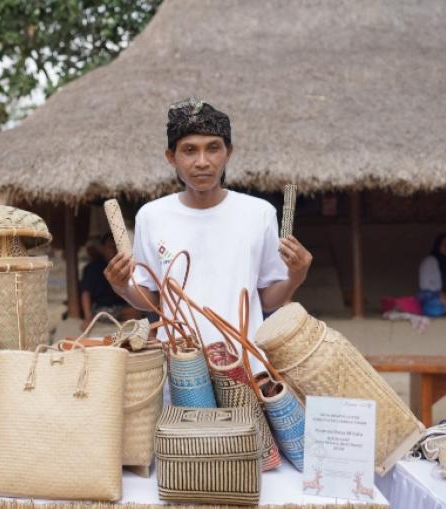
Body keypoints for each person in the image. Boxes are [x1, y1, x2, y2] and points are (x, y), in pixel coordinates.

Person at [103, 97, 312, 350]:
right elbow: (154, 301)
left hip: (246, 363)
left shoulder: (259, 213)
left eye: (213, 148)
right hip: (180, 364)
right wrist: (122, 286)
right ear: (171, 157)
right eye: (189, 150)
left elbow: (267, 301)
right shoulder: (152, 216)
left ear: (228, 153)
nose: (202, 161)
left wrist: (296, 276)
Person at [80, 233, 139, 330]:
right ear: (103, 248)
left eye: (115, 247)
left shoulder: (127, 266)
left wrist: (136, 309)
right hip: (102, 309)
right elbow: (85, 293)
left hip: (123, 308)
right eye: (110, 247)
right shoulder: (91, 268)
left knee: (135, 312)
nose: (113, 250)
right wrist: (87, 317)